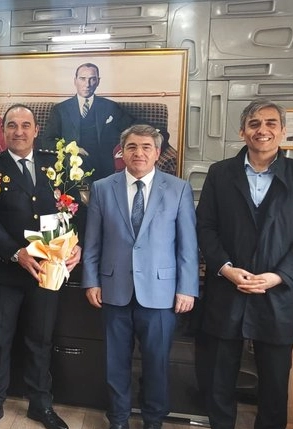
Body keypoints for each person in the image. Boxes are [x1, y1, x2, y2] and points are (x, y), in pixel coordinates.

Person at [196, 98, 293, 429]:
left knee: (274, 388)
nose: (261, 130)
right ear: (242, 131)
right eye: (254, 124)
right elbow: (205, 227)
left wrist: (279, 276)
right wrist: (225, 268)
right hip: (227, 290)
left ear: (282, 131)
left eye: (270, 123)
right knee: (218, 382)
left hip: (277, 294)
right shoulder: (220, 173)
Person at [0, 104, 82, 429]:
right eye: (12, 125)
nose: (18, 131)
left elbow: (75, 208)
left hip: (48, 270)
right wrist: (15, 252)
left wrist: (76, 245)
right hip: (5, 270)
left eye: (25, 125)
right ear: (2, 131)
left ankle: (40, 405)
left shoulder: (55, 164)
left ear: (36, 130)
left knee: (40, 340)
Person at [82, 124, 199, 429]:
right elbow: (92, 242)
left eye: (146, 147)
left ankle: (153, 420)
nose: (139, 153)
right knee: (115, 364)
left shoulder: (178, 188)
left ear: (157, 153)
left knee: (156, 364)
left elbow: (188, 245)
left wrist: (187, 288)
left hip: (161, 293)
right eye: (132, 146)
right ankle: (118, 419)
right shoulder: (102, 188)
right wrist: (91, 281)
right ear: (122, 152)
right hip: (113, 290)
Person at [43, 63, 138, 181]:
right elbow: (47, 140)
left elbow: (134, 126)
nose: (87, 84)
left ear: (98, 81)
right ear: (75, 81)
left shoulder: (110, 107)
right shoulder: (60, 110)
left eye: (92, 79)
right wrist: (72, 149)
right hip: (72, 168)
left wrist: (156, 132)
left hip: (105, 167)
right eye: (82, 79)